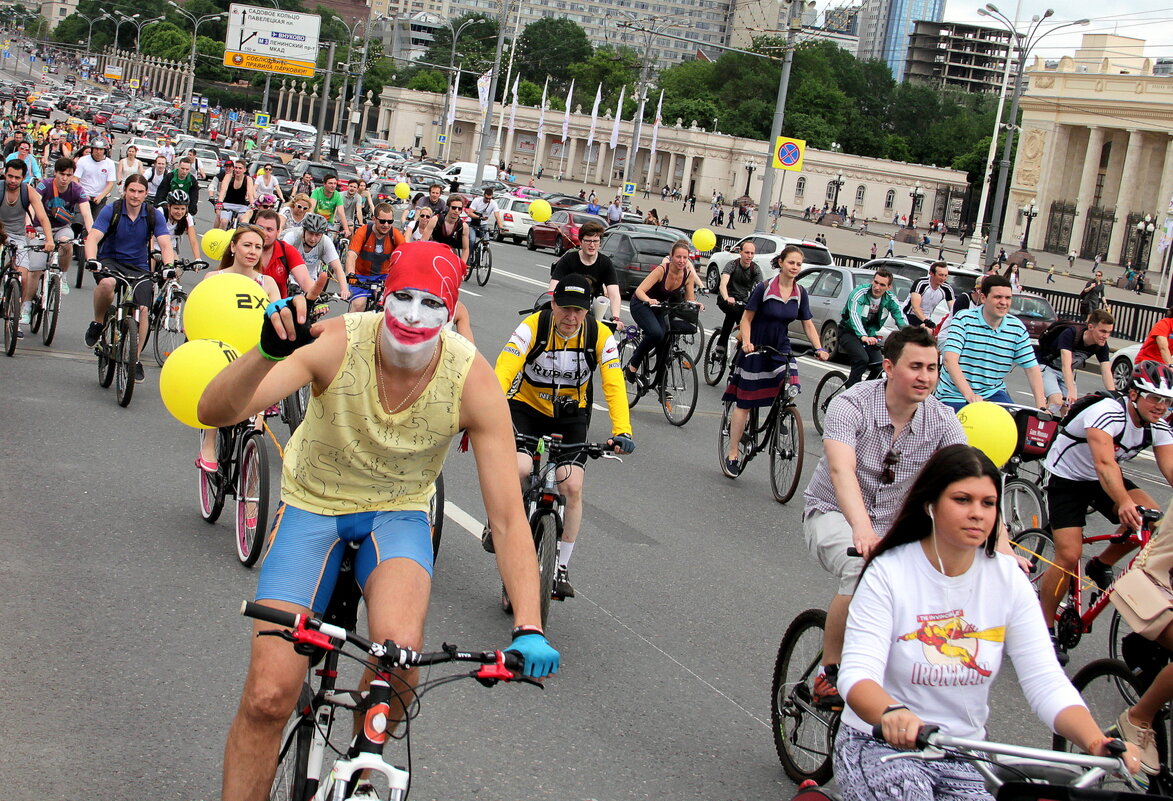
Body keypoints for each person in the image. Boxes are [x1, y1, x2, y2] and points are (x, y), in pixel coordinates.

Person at [204, 240, 560, 800]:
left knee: (399, 658)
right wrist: (265, 354)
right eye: (403, 298)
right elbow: (214, 411)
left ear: (451, 313)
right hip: (313, 506)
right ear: (383, 297)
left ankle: (364, 768)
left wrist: (530, 626)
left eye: (431, 304)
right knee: (268, 697)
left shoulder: (471, 378)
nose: (414, 316)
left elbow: (510, 520)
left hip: (397, 515)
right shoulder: (337, 342)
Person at [833, 444, 1142, 799]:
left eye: (988, 503)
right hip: (880, 746)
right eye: (962, 500)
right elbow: (857, 674)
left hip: (963, 753)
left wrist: (1095, 740)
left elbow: (1045, 680)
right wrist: (892, 714)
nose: (977, 514)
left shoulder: (1007, 579)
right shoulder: (889, 572)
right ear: (930, 504)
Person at [803, 326, 968, 707]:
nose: (926, 377)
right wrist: (862, 529)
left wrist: (1003, 546)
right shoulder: (852, 404)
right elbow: (842, 469)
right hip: (833, 513)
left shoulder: (941, 418)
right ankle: (830, 673)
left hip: (895, 525)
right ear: (890, 368)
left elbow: (972, 480)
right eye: (916, 367)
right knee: (862, 568)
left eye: (933, 367)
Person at [492, 273, 634, 597]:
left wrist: (622, 430)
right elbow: (504, 369)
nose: (571, 317)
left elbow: (614, 384)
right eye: (565, 308)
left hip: (571, 417)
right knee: (520, 469)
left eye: (579, 310)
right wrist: (489, 412)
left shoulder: (600, 335)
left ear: (588, 310)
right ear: (553, 303)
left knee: (571, 484)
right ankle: (500, 520)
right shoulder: (532, 327)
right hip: (526, 411)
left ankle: (560, 566)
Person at [1037, 361, 1173, 657]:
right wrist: (1123, 501)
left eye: (1166, 400)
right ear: (1134, 395)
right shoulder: (1107, 412)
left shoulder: (1158, 425)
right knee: (1068, 554)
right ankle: (1044, 629)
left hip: (1102, 480)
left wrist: (1129, 503)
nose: (1161, 406)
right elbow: (1104, 463)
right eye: (1154, 397)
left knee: (1155, 524)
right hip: (1067, 478)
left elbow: (1171, 468)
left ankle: (1099, 564)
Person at [722, 246, 829, 475]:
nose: (795, 267)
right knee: (745, 403)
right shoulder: (764, 288)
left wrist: (818, 347)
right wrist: (748, 343)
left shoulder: (800, 292)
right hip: (757, 345)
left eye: (798, 264)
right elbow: (747, 319)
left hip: (780, 346)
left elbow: (808, 323)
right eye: (791, 263)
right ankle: (733, 452)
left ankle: (782, 413)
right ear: (781, 263)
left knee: (790, 382)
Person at [196, 225, 283, 471]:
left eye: (258, 247)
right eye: (247, 245)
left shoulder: (267, 283)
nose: (253, 251)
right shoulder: (214, 279)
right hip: (220, 348)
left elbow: (277, 319)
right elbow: (200, 315)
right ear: (233, 247)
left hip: (254, 352)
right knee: (214, 379)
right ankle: (209, 444)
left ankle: (252, 455)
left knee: (256, 419)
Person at [83, 174, 175, 383]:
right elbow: (94, 237)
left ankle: (134, 359)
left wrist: (168, 266)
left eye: (140, 191)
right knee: (107, 284)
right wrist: (91, 259)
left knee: (143, 310)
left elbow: (166, 244)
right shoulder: (112, 210)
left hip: (139, 267)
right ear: (125, 191)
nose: (135, 195)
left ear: (146, 194)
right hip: (110, 261)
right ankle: (98, 323)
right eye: (131, 190)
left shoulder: (153, 214)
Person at [935, 275, 1046, 412]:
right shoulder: (964, 319)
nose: (1003, 302)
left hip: (992, 393)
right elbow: (950, 360)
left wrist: (1041, 407)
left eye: (1008, 298)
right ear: (983, 298)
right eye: (997, 297)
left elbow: (1032, 368)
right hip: (954, 395)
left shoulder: (1016, 328)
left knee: (1015, 426)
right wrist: (969, 395)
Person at [624, 239, 704, 381]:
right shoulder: (662, 270)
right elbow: (639, 291)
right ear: (671, 256)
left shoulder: (688, 274)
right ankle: (632, 366)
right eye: (678, 257)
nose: (682, 261)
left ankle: (661, 383)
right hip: (641, 304)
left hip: (659, 308)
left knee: (665, 339)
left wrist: (696, 304)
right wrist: (648, 300)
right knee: (656, 333)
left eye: (685, 257)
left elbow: (689, 298)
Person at [2, 159, 55, 334]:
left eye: (17, 177)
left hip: (18, 237)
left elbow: (42, 216)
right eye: (10, 176)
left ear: (23, 178)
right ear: (4, 174)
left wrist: (49, 240)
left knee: (23, 276)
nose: (12, 180)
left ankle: (15, 318)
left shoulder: (28, 192)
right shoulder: (0, 189)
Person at [1036, 310, 1116, 414]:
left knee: (1070, 410)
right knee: (1056, 401)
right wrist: (1071, 391)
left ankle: (1060, 429)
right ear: (1091, 327)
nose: (1106, 336)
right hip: (1047, 367)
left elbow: (1106, 372)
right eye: (1103, 331)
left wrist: (1114, 398)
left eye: (1109, 332)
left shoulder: (1101, 345)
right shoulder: (1071, 333)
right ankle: (1037, 426)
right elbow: (1066, 365)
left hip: (1065, 373)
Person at [839, 269, 908, 388]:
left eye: (882, 285)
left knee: (880, 367)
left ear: (889, 287)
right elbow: (854, 315)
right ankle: (851, 394)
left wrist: (911, 337)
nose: (877, 287)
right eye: (875, 282)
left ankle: (865, 391)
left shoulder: (890, 299)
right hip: (849, 332)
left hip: (870, 334)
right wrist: (863, 336)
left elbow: (900, 318)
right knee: (862, 359)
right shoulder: (860, 293)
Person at [548, 220, 623, 328]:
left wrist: (616, 318)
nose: (592, 245)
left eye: (596, 241)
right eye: (588, 241)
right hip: (567, 307)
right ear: (580, 241)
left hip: (591, 309)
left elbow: (614, 294)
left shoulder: (605, 263)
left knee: (602, 334)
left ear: (600, 242)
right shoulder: (569, 259)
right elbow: (552, 288)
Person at [35, 156, 93, 281]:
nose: (65, 178)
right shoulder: (45, 185)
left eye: (69, 175)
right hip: (40, 228)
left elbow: (87, 214)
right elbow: (32, 205)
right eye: (62, 174)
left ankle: (63, 276)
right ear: (55, 172)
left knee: (67, 243)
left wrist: (91, 234)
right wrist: (28, 226)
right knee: (35, 268)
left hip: (61, 227)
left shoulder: (77, 190)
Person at [346, 202, 406, 311]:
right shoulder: (363, 232)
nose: (386, 225)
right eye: (382, 221)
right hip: (361, 276)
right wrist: (351, 275)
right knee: (359, 305)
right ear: (374, 219)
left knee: (387, 305)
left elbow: (406, 258)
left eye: (390, 221)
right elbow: (351, 255)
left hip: (383, 277)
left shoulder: (395, 235)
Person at [713, 240, 764, 361]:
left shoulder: (755, 269)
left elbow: (759, 288)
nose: (749, 256)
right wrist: (727, 297)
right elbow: (723, 284)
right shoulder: (732, 265)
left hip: (743, 302)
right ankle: (721, 345)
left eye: (752, 253)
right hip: (727, 299)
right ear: (740, 252)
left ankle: (737, 359)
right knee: (732, 312)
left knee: (747, 324)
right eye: (747, 252)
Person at [280, 213, 348, 302]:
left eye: (317, 235)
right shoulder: (292, 237)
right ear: (304, 230)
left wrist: (344, 290)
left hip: (309, 279)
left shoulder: (325, 242)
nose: (313, 238)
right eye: (310, 233)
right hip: (289, 276)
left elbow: (337, 268)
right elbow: (280, 262)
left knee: (313, 308)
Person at [251, 209, 311, 300]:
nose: (264, 233)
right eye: (260, 228)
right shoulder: (243, 248)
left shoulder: (287, 250)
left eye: (269, 229)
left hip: (277, 309)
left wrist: (316, 298)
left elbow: (305, 281)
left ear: (278, 232)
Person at [903, 262, 954, 328]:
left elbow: (953, 309)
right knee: (925, 330)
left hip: (927, 317)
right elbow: (915, 308)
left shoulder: (947, 288)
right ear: (931, 273)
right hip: (909, 315)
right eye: (941, 275)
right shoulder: (921, 283)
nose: (943, 278)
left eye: (945, 275)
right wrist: (926, 321)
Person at [74, 136, 115, 214]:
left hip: (100, 197)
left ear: (105, 151)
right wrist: (82, 193)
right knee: (78, 222)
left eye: (101, 149)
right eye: (96, 149)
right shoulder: (83, 160)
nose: (98, 152)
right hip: (84, 195)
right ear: (92, 149)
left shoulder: (110, 163)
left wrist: (101, 196)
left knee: (96, 223)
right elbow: (75, 179)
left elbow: (110, 184)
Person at [158, 189, 200, 259]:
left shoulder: (187, 217)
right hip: (155, 244)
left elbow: (193, 241)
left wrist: (198, 259)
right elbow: (150, 236)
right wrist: (152, 251)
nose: (180, 212)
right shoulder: (160, 213)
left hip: (170, 246)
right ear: (169, 206)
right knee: (151, 265)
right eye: (176, 208)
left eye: (183, 209)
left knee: (177, 268)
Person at [427, 194, 469, 263]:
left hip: (450, 254)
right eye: (454, 208)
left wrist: (462, 265)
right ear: (448, 207)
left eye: (459, 209)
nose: (456, 211)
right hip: (433, 252)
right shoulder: (436, 219)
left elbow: (465, 249)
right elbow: (423, 241)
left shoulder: (463, 226)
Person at [216, 160, 255, 229]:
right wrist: (220, 202)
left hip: (242, 206)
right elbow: (223, 190)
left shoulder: (248, 179)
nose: (237, 170)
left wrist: (252, 204)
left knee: (243, 221)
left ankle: (240, 237)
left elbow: (250, 193)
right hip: (227, 204)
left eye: (240, 168)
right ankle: (219, 238)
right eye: (236, 168)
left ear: (244, 170)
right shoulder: (228, 176)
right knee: (224, 222)